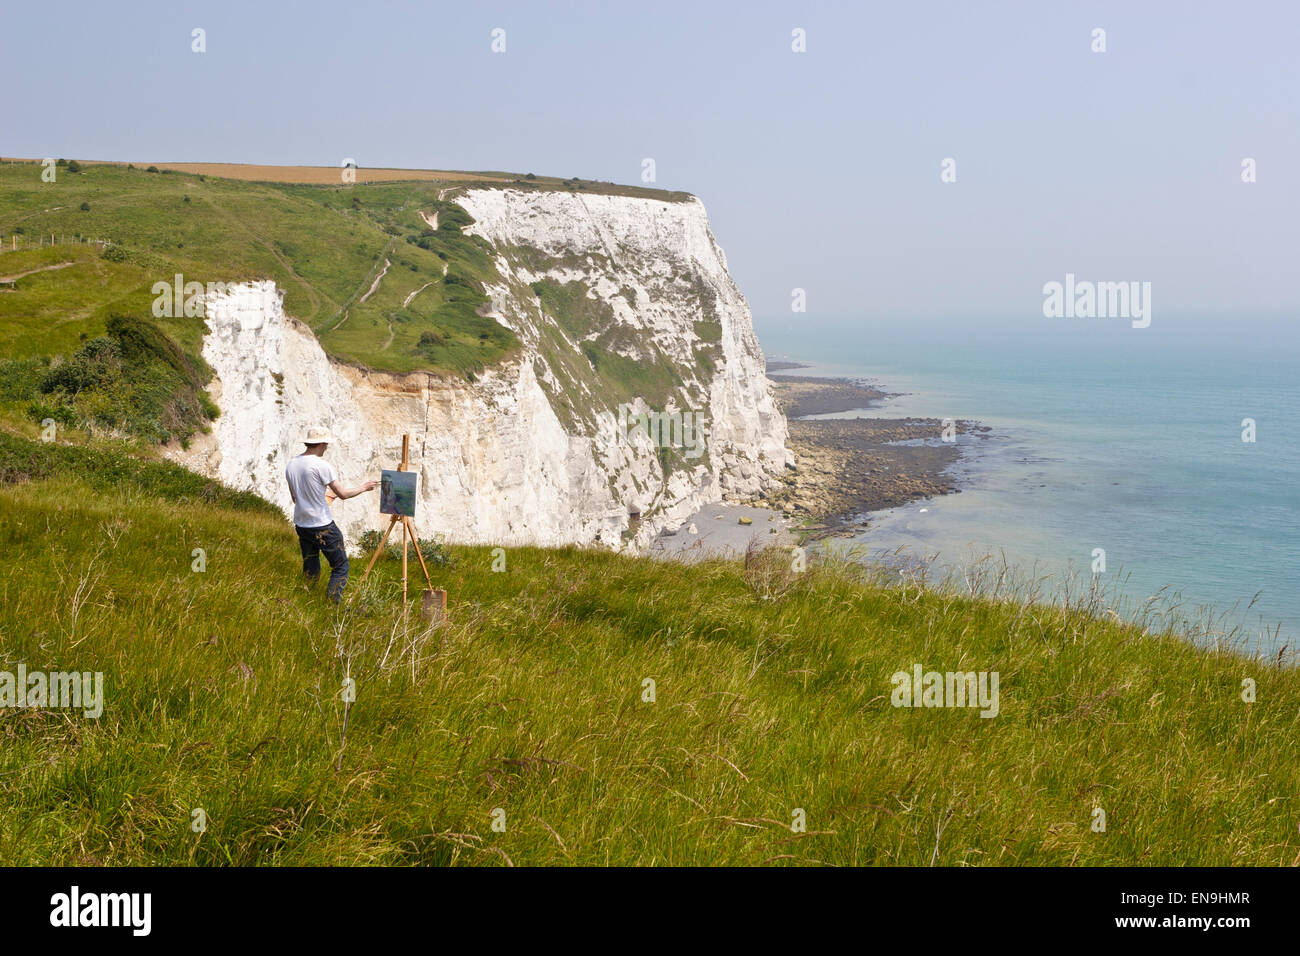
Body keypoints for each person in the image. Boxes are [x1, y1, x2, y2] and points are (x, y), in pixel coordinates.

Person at [284, 427, 376, 602]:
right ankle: (332, 605)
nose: (326, 447)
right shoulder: (321, 465)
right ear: (322, 444)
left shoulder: (292, 464)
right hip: (322, 525)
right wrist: (365, 487)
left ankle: (307, 599)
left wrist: (319, 496)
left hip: (302, 524)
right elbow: (343, 494)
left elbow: (296, 498)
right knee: (341, 566)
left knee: (310, 564)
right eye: (326, 444)